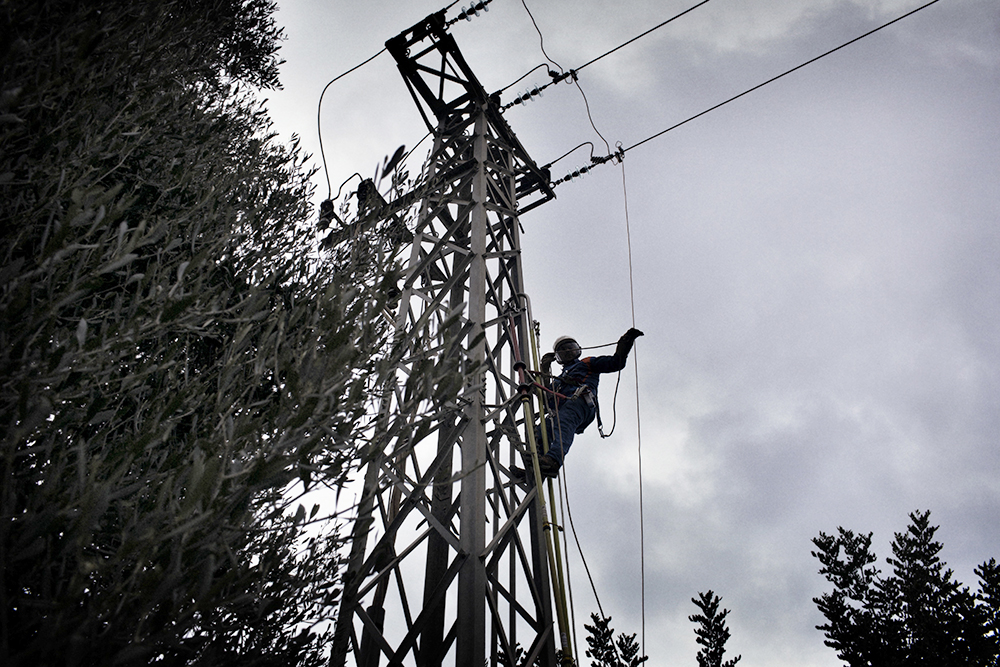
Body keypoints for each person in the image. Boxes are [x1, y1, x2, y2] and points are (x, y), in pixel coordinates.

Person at [528, 327, 644, 478]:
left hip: (580, 402)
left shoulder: (587, 363)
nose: (569, 351)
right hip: (564, 408)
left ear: (578, 349)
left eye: (571, 347)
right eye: (564, 350)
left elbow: (616, 362)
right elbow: (547, 397)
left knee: (563, 422)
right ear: (559, 357)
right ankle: (536, 467)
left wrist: (626, 340)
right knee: (541, 430)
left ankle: (553, 460)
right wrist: (544, 369)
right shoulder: (559, 380)